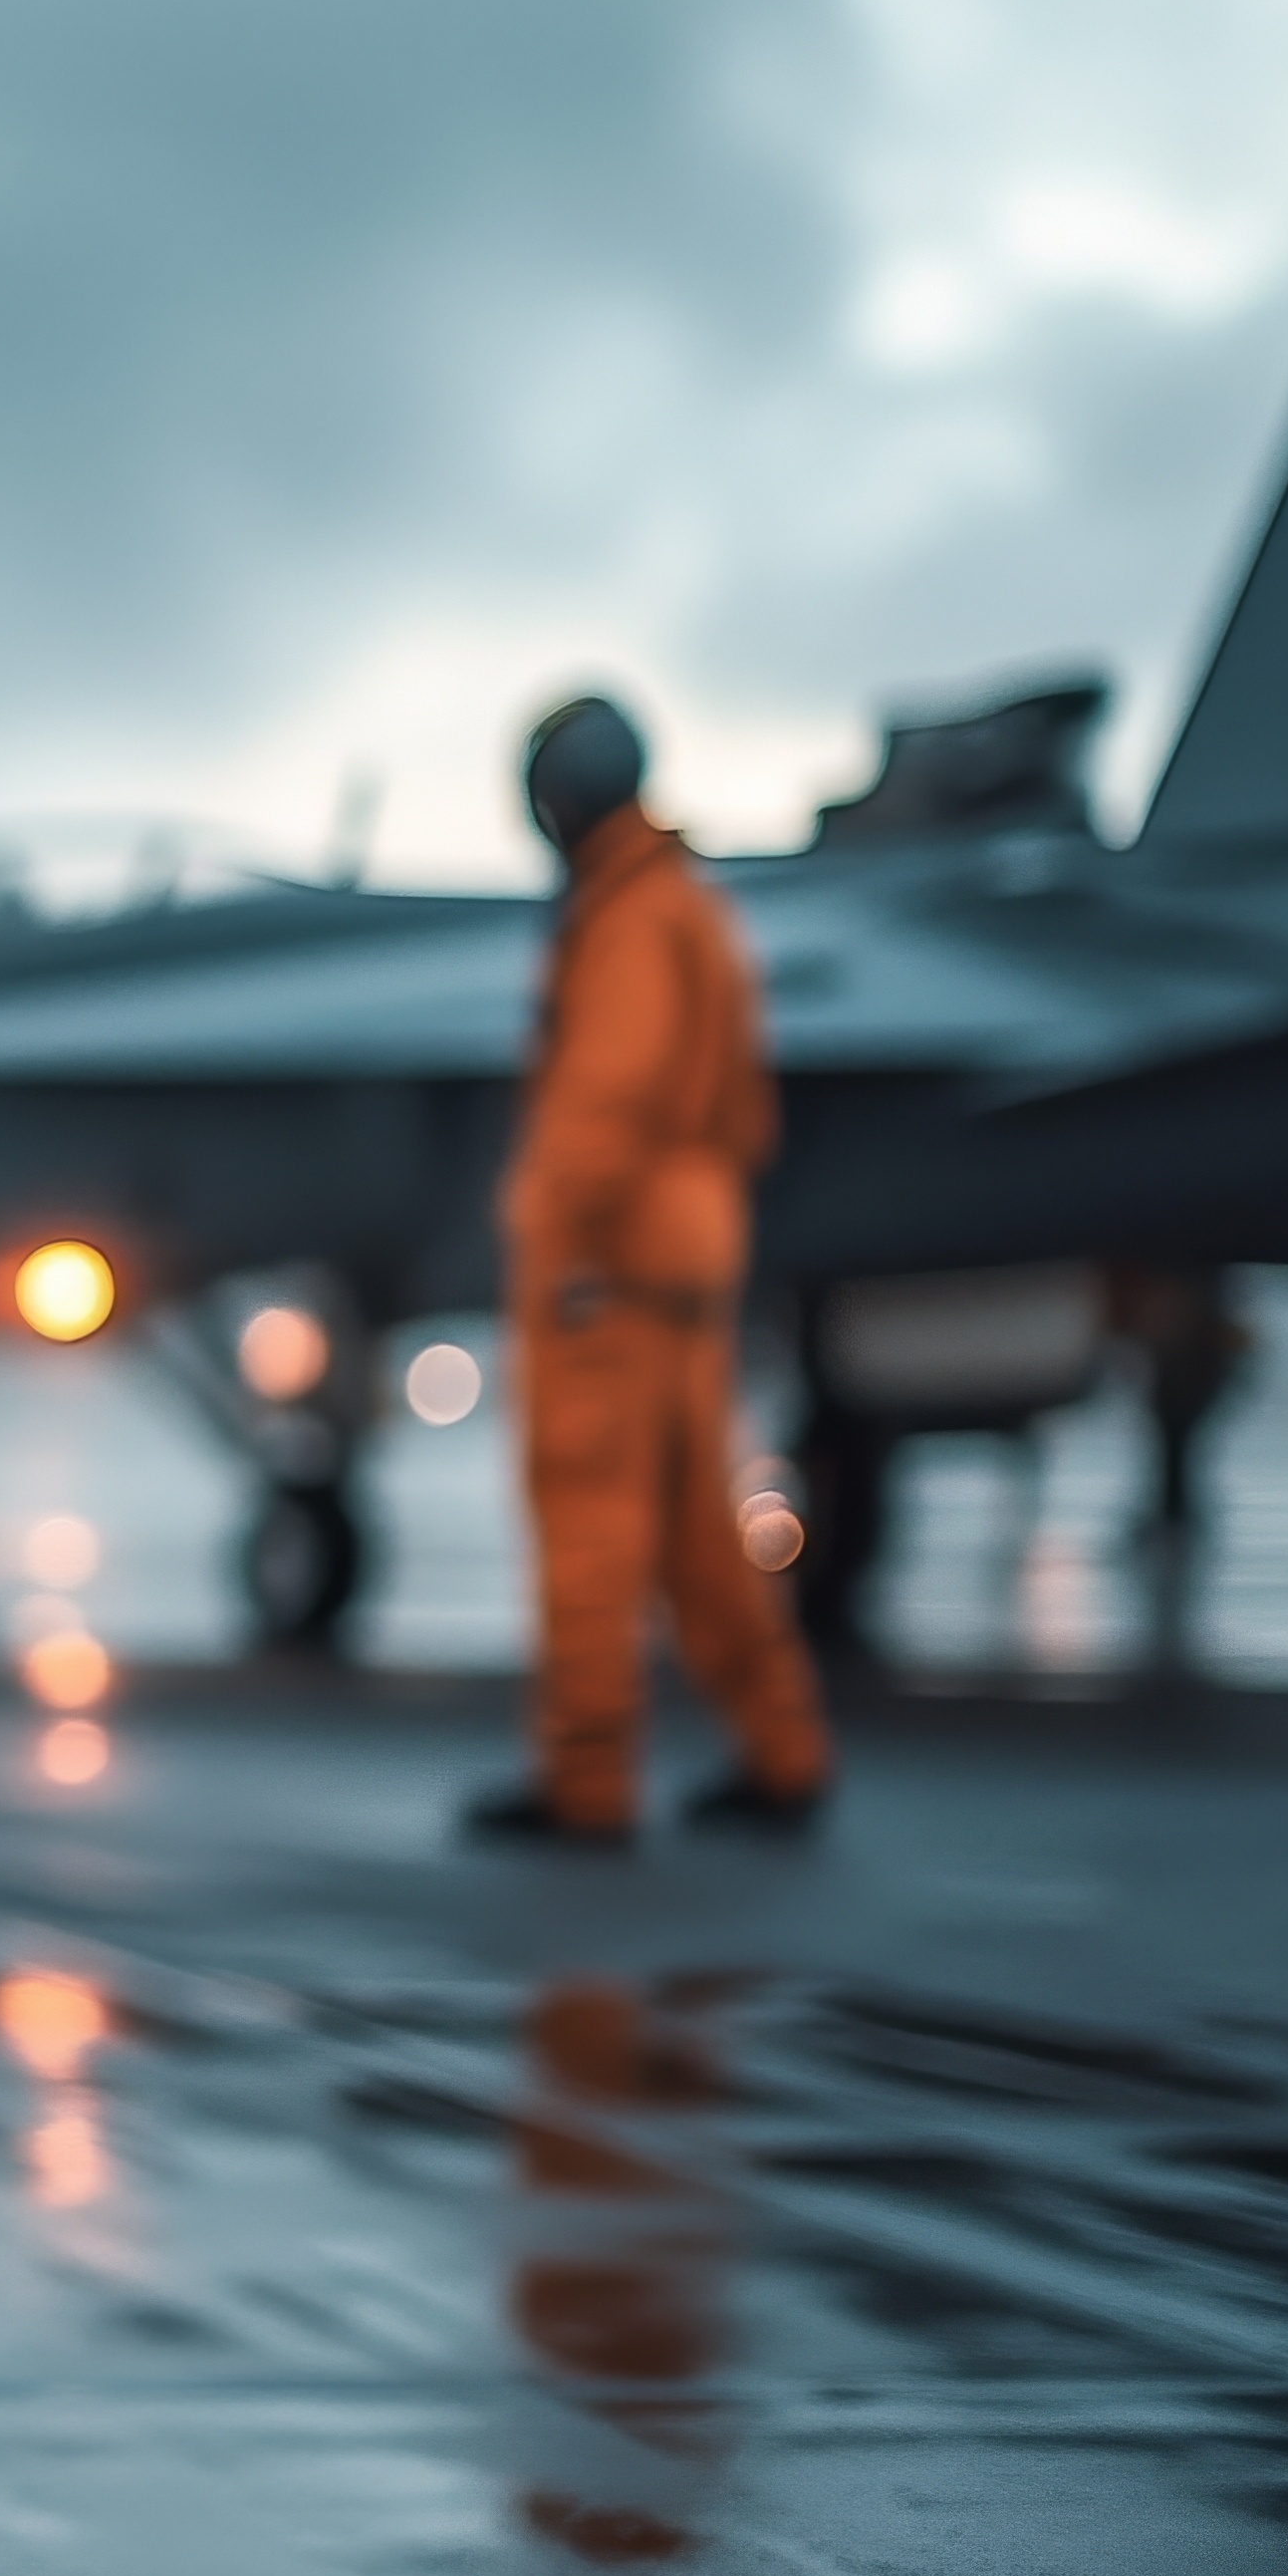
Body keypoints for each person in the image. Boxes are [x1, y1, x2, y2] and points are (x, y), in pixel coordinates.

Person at [462, 696, 835, 1852]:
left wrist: (569, 1247)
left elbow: (602, 1101)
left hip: (609, 1270)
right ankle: (781, 1754)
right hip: (680, 1254)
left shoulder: (625, 920)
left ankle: (584, 1784)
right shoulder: (687, 910)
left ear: (558, 797)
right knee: (698, 1541)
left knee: (590, 1524)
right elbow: (740, 1110)